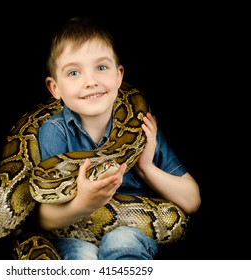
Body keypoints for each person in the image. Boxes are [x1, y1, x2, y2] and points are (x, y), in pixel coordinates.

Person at [36, 16, 201, 260]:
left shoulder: (143, 128)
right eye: (73, 72)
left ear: (119, 76)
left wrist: (145, 167)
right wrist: (84, 203)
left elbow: (191, 200)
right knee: (80, 254)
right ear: (55, 88)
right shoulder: (54, 130)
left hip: (132, 229)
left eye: (101, 68)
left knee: (122, 239)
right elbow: (45, 217)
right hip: (74, 231)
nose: (90, 81)